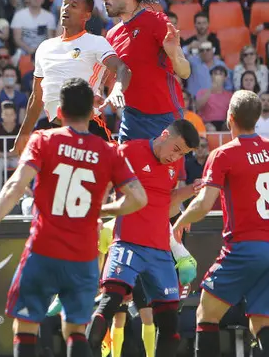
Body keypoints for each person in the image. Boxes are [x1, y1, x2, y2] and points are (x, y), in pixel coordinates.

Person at [0, 78, 148, 357]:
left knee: (25, 328)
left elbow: (15, 185)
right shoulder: (109, 152)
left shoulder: (44, 140)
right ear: (92, 113)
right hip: (83, 257)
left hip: (43, 250)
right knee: (75, 331)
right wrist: (103, 210)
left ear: (59, 111)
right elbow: (139, 198)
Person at [172, 90, 269, 357]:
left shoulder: (223, 154)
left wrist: (178, 222)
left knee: (206, 314)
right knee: (262, 326)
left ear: (230, 119)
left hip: (246, 247)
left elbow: (204, 204)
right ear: (257, 119)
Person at [85, 119, 201, 357]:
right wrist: (95, 214)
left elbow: (164, 203)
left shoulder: (173, 166)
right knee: (108, 304)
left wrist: (190, 191)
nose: (176, 157)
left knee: (170, 326)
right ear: (165, 134)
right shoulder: (129, 151)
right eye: (176, 149)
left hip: (159, 251)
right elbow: (103, 183)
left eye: (184, 154)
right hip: (127, 242)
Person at [13, 0, 131, 153]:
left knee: (108, 177)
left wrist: (118, 89)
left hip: (87, 128)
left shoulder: (96, 42)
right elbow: (36, 97)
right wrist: (24, 133)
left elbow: (122, 68)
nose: (66, 8)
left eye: (73, 5)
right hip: (53, 128)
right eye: (64, 4)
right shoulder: (45, 47)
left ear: (87, 16)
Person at [101, 0, 191, 142]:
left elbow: (185, 72)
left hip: (164, 118)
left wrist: (173, 55)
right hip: (131, 118)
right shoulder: (111, 35)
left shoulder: (157, 21)